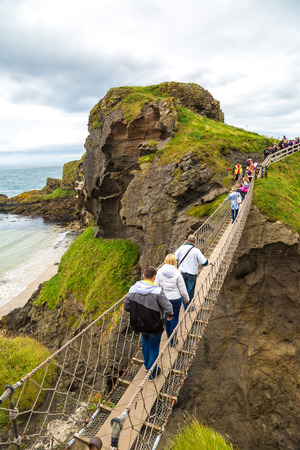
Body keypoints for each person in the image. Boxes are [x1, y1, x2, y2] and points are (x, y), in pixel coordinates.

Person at [124, 266, 173, 379]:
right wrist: (169, 315)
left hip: (139, 323)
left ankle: (147, 366)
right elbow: (168, 306)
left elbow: (126, 306)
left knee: (145, 342)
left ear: (143, 276)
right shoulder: (157, 291)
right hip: (154, 324)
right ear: (154, 277)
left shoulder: (133, 289)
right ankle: (152, 373)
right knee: (154, 347)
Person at [155, 254, 189, 346]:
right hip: (175, 299)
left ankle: (169, 335)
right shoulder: (177, 273)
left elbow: (156, 285)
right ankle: (173, 340)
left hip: (164, 299)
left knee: (167, 316)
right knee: (174, 318)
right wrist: (187, 298)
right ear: (174, 262)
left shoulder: (159, 271)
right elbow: (182, 288)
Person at [175, 235, 214, 310]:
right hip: (192, 274)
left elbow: (175, 257)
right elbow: (203, 262)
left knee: (183, 289)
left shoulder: (181, 248)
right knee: (190, 291)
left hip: (181, 273)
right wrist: (209, 263)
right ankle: (187, 307)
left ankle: (185, 305)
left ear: (187, 240)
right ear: (195, 242)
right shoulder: (196, 251)